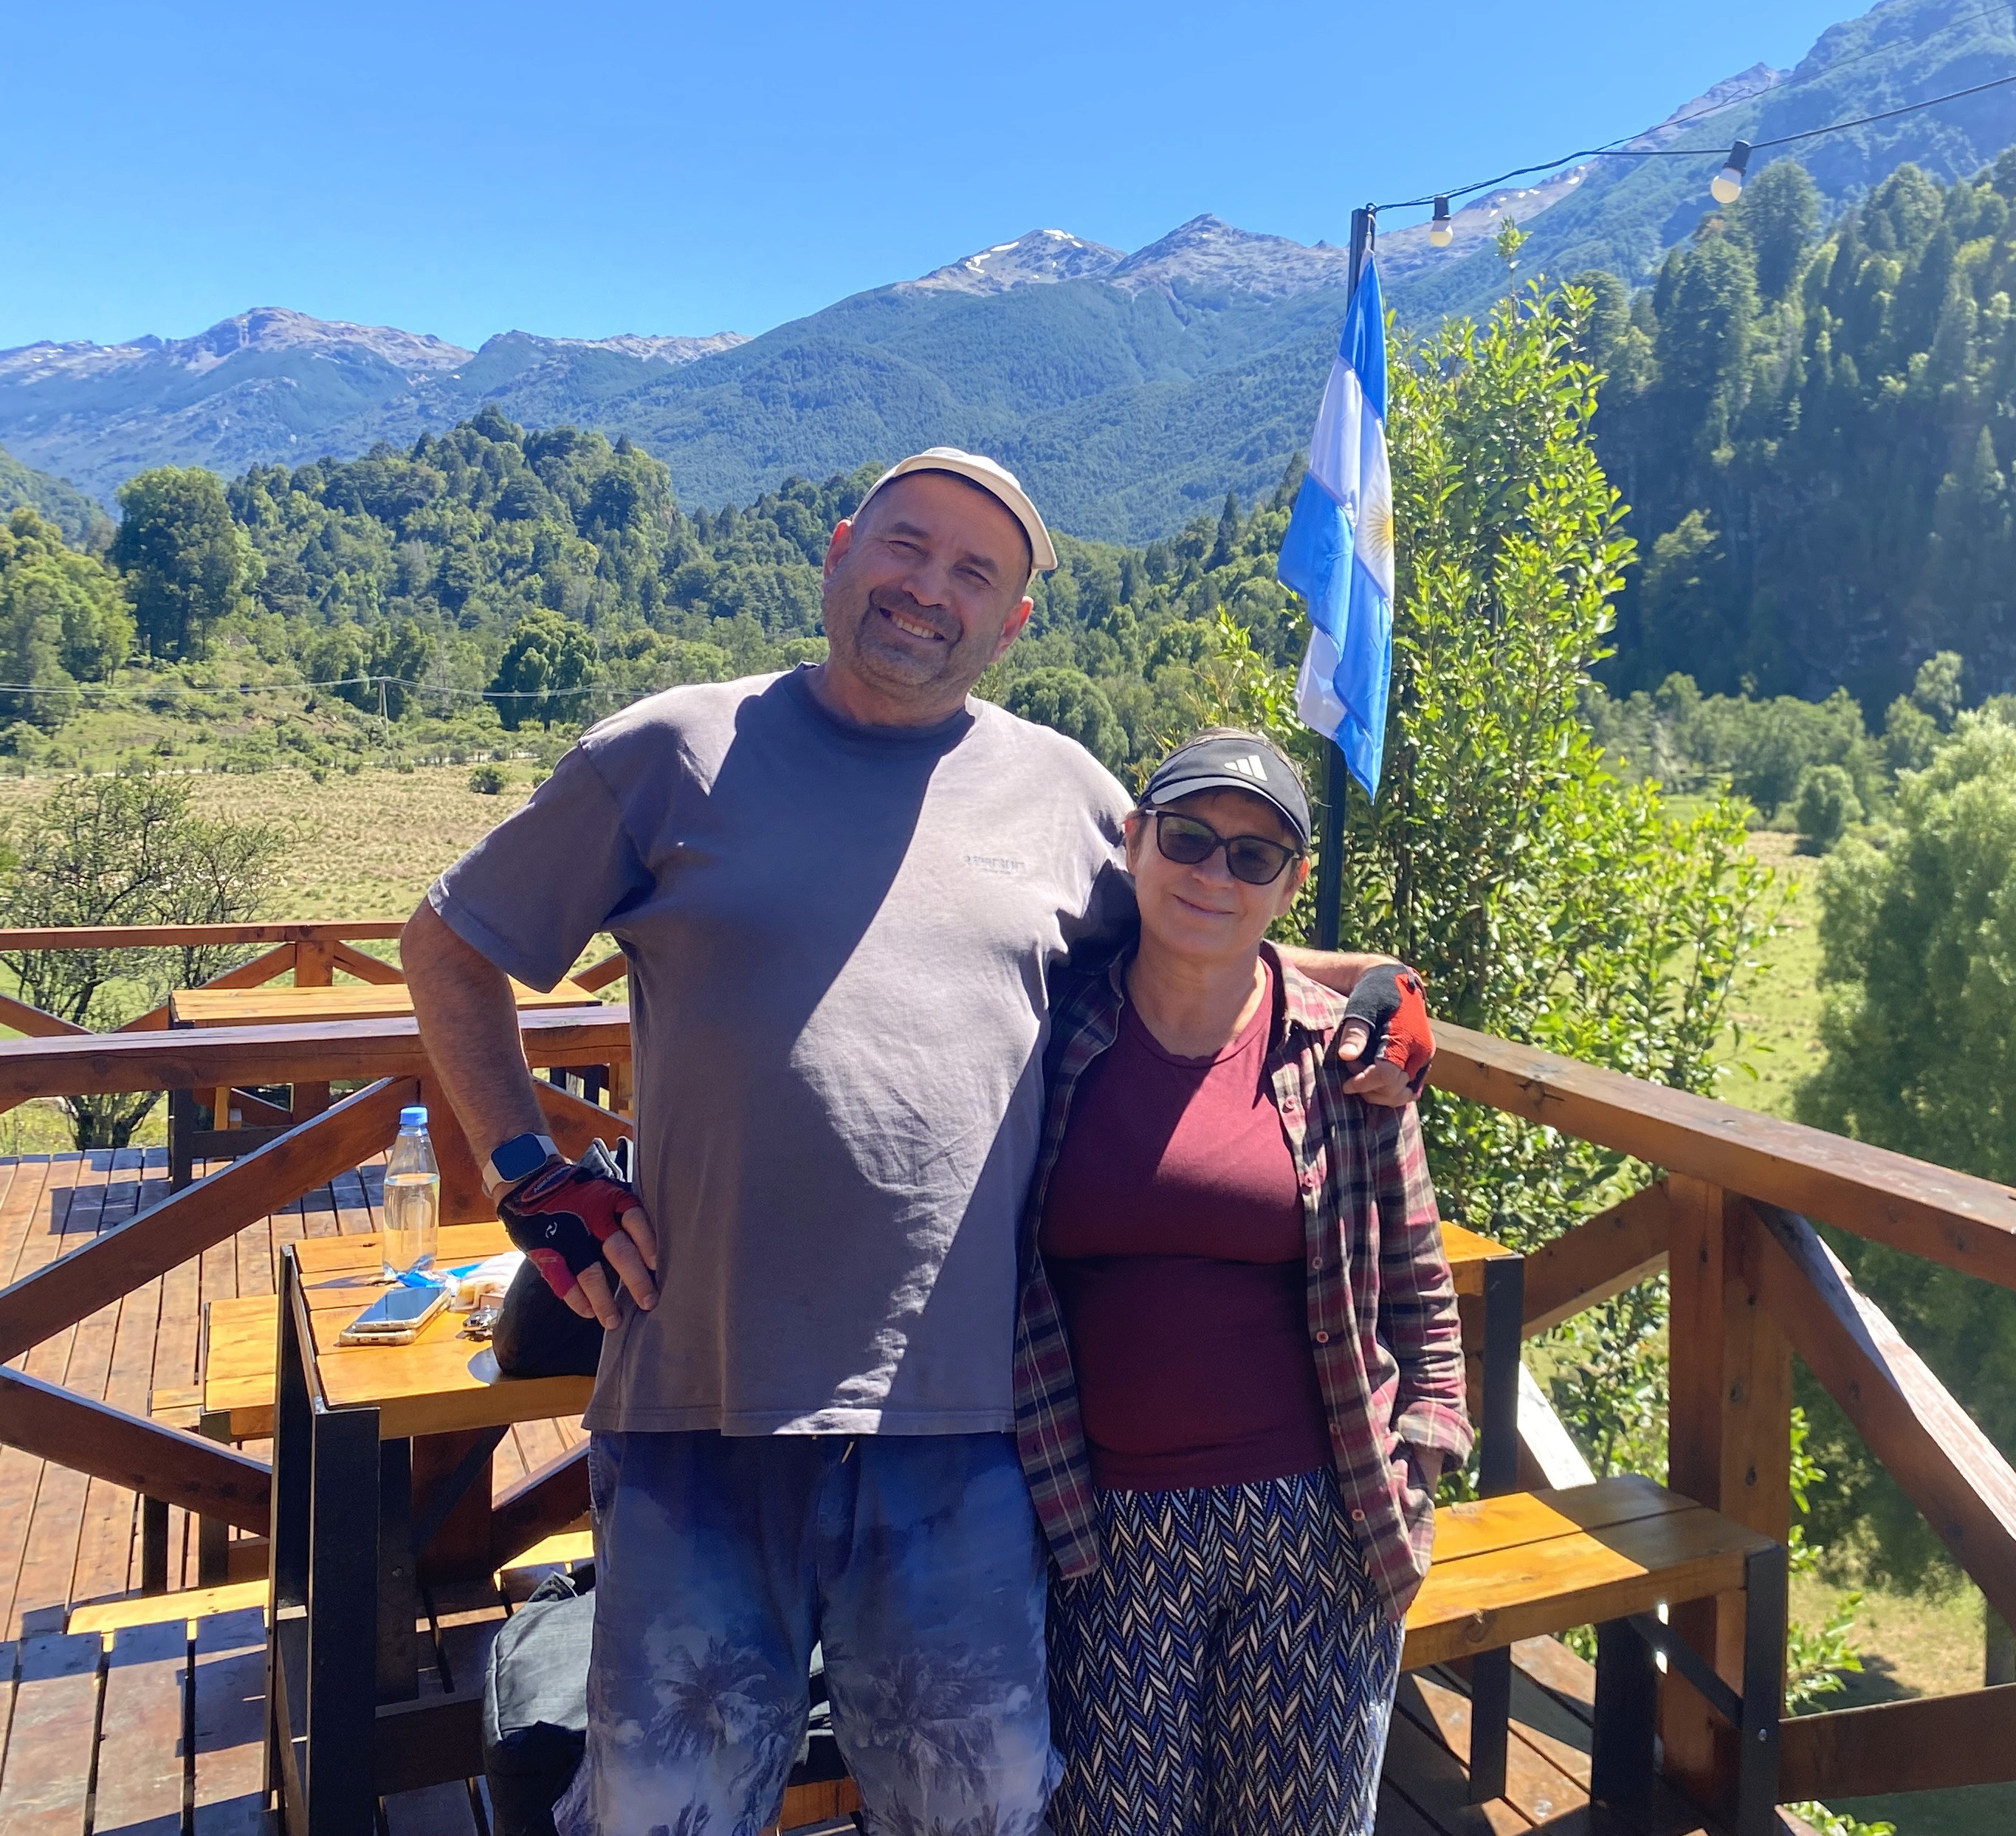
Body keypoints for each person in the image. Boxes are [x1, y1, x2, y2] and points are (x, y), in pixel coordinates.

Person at [400, 448, 1423, 1836]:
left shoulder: (1065, 793)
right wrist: (529, 1173)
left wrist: (1370, 1001)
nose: (928, 590)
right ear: (838, 550)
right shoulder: (671, 752)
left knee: (983, 1810)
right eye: (908, 546)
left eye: (974, 574)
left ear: (1013, 622)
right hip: (701, 1406)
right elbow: (450, 945)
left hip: (967, 1432)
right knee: (660, 1811)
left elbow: (1206, 933)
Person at [1014, 729, 1469, 1836]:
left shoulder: (1342, 1059)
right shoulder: (1047, 1039)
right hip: (1103, 1528)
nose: (1215, 876)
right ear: (1135, 842)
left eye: (1254, 858)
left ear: (1291, 885)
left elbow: (1417, 1279)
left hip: (1320, 1517)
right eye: (1189, 839)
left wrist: (1423, 1459)